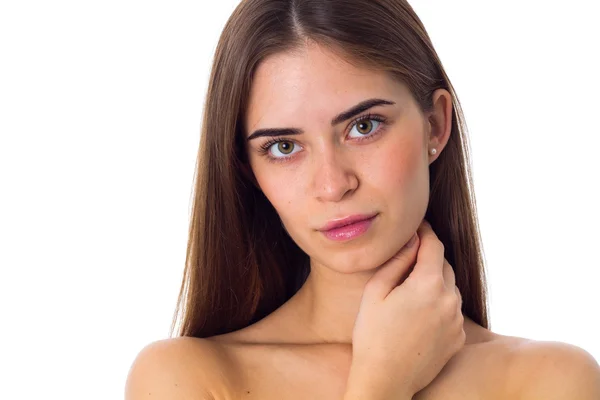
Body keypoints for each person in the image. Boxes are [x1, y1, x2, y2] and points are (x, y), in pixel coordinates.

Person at [125, 0, 600, 398]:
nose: (333, 185)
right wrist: (381, 384)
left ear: (435, 124)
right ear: (249, 171)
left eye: (363, 126)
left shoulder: (550, 382)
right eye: (284, 147)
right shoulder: (185, 380)